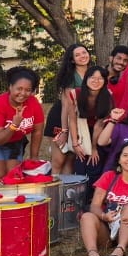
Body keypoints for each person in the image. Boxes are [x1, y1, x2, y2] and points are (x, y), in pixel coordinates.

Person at [46, 43, 89, 174]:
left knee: (71, 158)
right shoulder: (70, 77)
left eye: (84, 52)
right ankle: (54, 191)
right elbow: (66, 106)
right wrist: (64, 131)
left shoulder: (93, 73)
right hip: (61, 117)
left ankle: (66, 193)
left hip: (79, 119)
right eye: (77, 55)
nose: (82, 56)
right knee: (59, 160)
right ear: (72, 60)